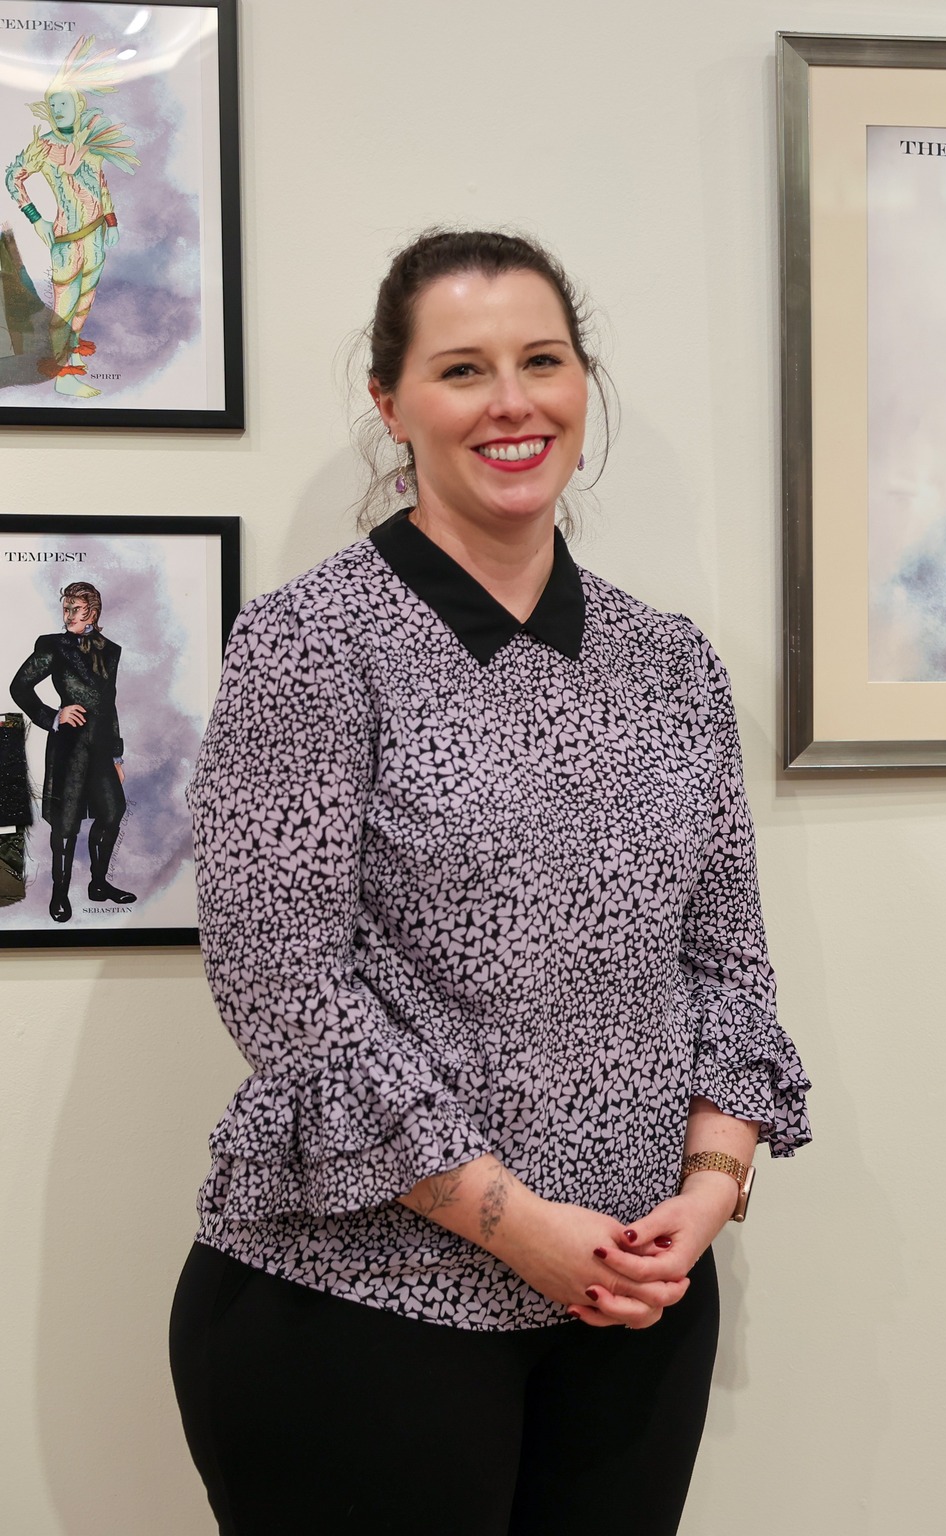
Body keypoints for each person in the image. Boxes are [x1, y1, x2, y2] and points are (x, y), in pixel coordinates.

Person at [167, 229, 812, 1536]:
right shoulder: (311, 645)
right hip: (362, 1309)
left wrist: (706, 1189)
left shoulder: (670, 662)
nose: (513, 401)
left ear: (584, 385)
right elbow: (283, 989)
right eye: (463, 369)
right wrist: (515, 1225)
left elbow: (727, 965)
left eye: (542, 360)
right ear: (391, 402)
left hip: (634, 1310)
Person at [4, 33, 136, 399]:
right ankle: (63, 375)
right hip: (66, 242)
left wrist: (111, 220)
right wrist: (36, 218)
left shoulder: (93, 142)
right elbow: (13, 178)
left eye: (65, 102)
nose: (59, 109)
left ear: (78, 104)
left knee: (85, 302)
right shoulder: (43, 146)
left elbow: (100, 183)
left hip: (96, 238)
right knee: (63, 310)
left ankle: (73, 361)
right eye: (53, 103)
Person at [9, 580, 132, 921]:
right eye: (65, 608)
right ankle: (60, 896)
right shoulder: (53, 646)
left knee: (112, 813)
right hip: (69, 746)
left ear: (92, 611)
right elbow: (19, 687)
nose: (67, 615)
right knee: (66, 824)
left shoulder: (111, 649)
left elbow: (110, 704)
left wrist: (117, 755)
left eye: (74, 609)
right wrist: (53, 716)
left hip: (101, 748)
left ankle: (98, 884)